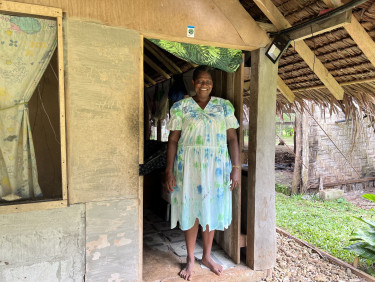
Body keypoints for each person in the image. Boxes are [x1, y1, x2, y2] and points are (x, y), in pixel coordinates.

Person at [165, 65, 240, 280]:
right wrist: (169, 171)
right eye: (200, 81)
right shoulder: (181, 107)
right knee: (191, 209)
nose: (204, 85)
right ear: (193, 83)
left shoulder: (224, 107)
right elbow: (172, 140)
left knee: (210, 209)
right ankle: (190, 258)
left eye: (208, 81)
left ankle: (207, 256)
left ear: (212, 84)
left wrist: (235, 169)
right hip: (188, 168)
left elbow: (233, 139)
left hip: (216, 168)